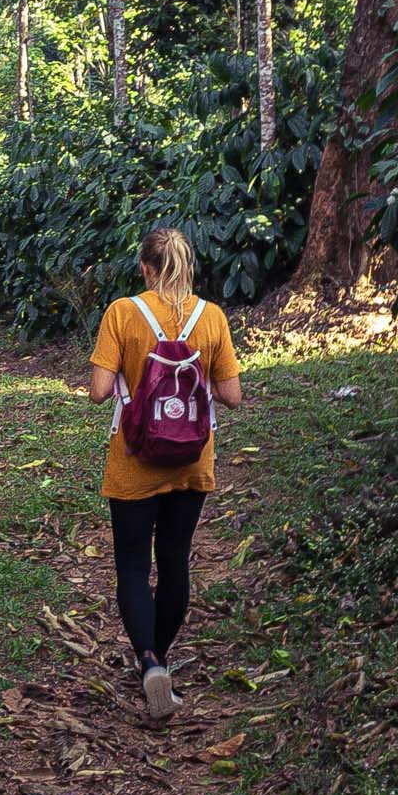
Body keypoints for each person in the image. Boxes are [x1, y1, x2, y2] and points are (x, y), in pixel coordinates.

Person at [87, 226, 242, 720]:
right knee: (175, 561)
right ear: (187, 265)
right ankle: (162, 657)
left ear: (144, 267)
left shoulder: (123, 313)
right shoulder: (211, 317)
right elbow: (231, 395)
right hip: (193, 460)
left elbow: (97, 390)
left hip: (135, 459)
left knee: (133, 565)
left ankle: (149, 660)